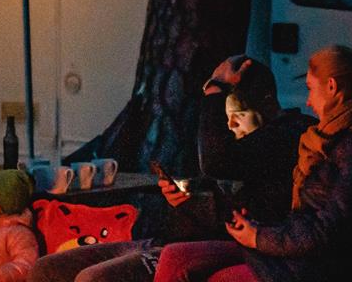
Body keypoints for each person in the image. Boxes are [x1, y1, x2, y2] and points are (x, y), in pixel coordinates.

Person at [29, 55, 312, 282]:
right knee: (47, 268)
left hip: (223, 247)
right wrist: (187, 200)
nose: (229, 126)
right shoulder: (246, 146)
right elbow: (218, 190)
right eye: (225, 117)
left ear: (266, 103)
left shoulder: (286, 137)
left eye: (237, 116)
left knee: (94, 278)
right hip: (172, 240)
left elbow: (219, 166)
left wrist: (215, 89)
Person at [154, 46, 352, 282]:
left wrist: (259, 237)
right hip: (282, 252)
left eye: (310, 89)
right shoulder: (321, 140)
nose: (309, 102)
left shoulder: (346, 145)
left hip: (302, 264)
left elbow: (326, 227)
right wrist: (194, 203)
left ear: (332, 87)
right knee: (174, 256)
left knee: (184, 263)